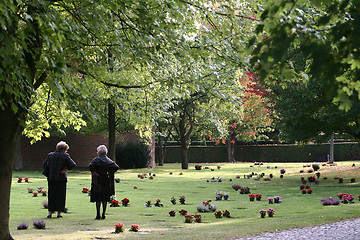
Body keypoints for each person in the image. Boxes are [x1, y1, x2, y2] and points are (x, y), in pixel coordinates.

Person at [43, 141, 76, 218]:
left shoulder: (50, 155)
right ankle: (59, 213)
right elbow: (73, 164)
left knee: (51, 195)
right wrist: (65, 169)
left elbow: (45, 164)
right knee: (61, 196)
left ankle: (50, 212)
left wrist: (48, 173)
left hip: (51, 178)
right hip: (61, 178)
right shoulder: (65, 156)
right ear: (64, 149)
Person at [89, 145, 119, 220]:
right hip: (106, 180)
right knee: (105, 198)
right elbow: (116, 167)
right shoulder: (108, 160)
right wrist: (109, 173)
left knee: (98, 198)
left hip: (98, 181)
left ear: (98, 152)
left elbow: (91, 166)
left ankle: (98, 214)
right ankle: (103, 214)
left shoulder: (96, 160)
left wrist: (95, 173)